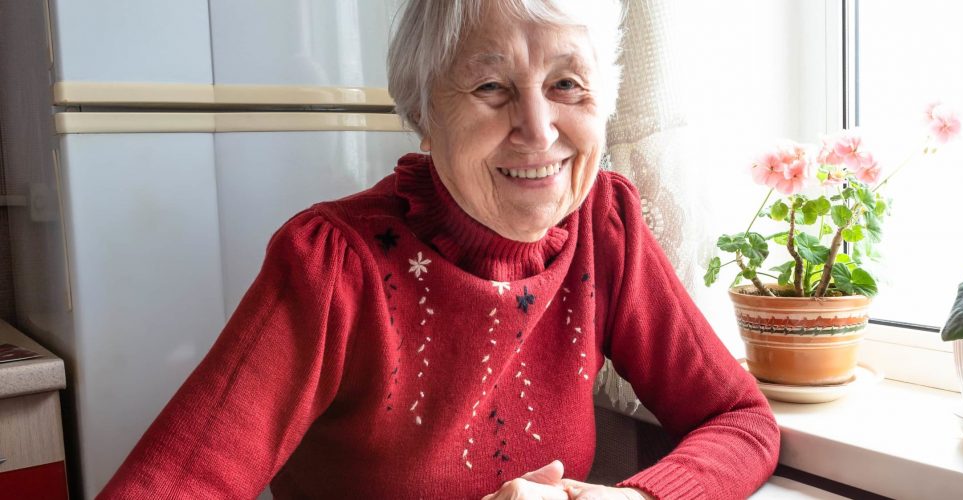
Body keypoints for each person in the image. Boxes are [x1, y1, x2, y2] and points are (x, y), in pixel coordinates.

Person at [100, 1, 780, 498]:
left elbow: (739, 418)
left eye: (567, 85)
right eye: (491, 88)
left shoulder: (606, 223)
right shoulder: (333, 263)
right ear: (425, 113)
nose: (538, 132)